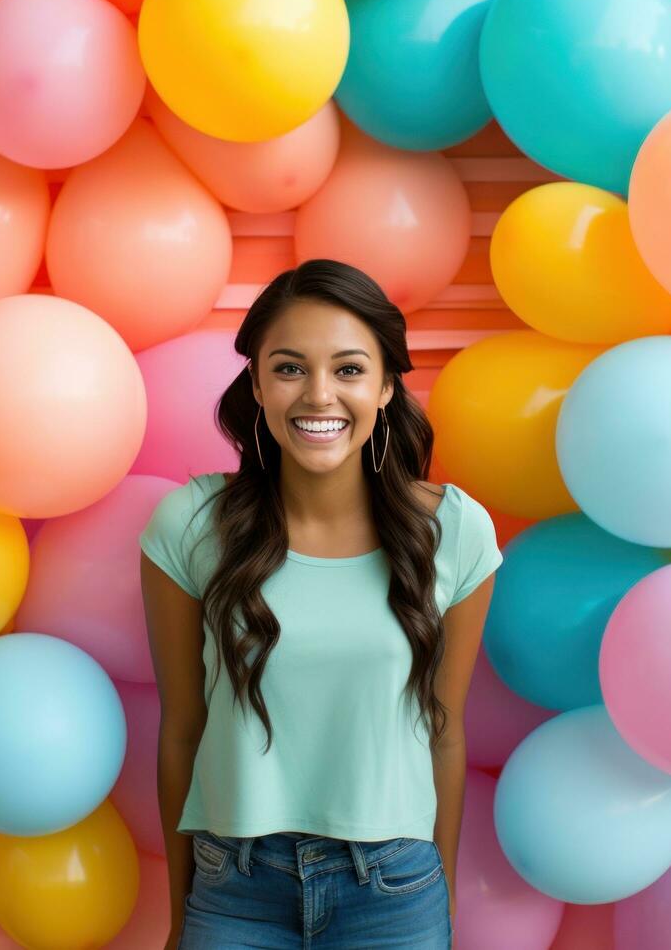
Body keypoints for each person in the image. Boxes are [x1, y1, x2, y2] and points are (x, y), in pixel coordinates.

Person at [140, 259, 503, 949]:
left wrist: (441, 908)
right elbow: (182, 728)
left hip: (395, 892)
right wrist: (177, 919)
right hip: (234, 889)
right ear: (256, 383)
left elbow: (444, 731)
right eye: (288, 368)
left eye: (348, 369)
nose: (318, 395)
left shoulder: (454, 531)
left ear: (388, 386)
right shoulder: (188, 525)